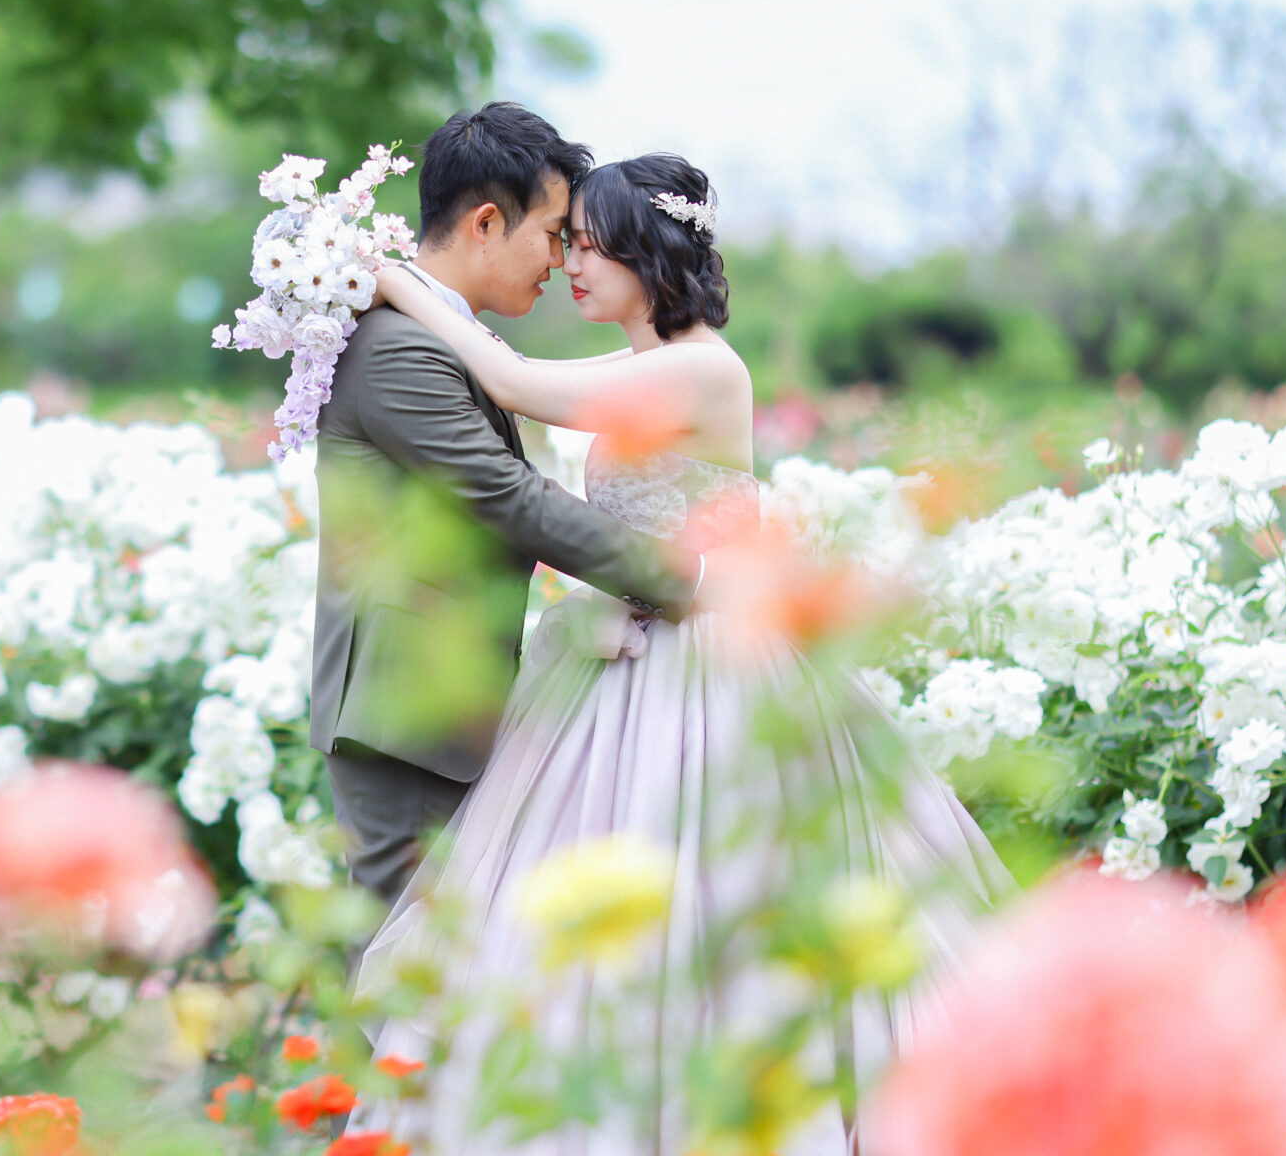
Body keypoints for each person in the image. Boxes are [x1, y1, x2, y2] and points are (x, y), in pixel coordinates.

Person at [350, 154, 1013, 1154]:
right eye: (567, 241)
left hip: (716, 671)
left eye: (593, 241)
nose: (573, 262)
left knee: (712, 900)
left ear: (650, 248)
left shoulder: (705, 366)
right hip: (623, 659)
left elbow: (519, 384)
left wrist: (395, 280)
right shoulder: (635, 366)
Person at [311, 104, 704, 908]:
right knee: (396, 966)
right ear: (488, 223)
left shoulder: (437, 337)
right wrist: (689, 578)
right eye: (556, 234)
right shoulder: (398, 350)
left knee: (447, 970)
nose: (561, 261)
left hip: (451, 710)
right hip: (408, 719)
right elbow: (506, 498)